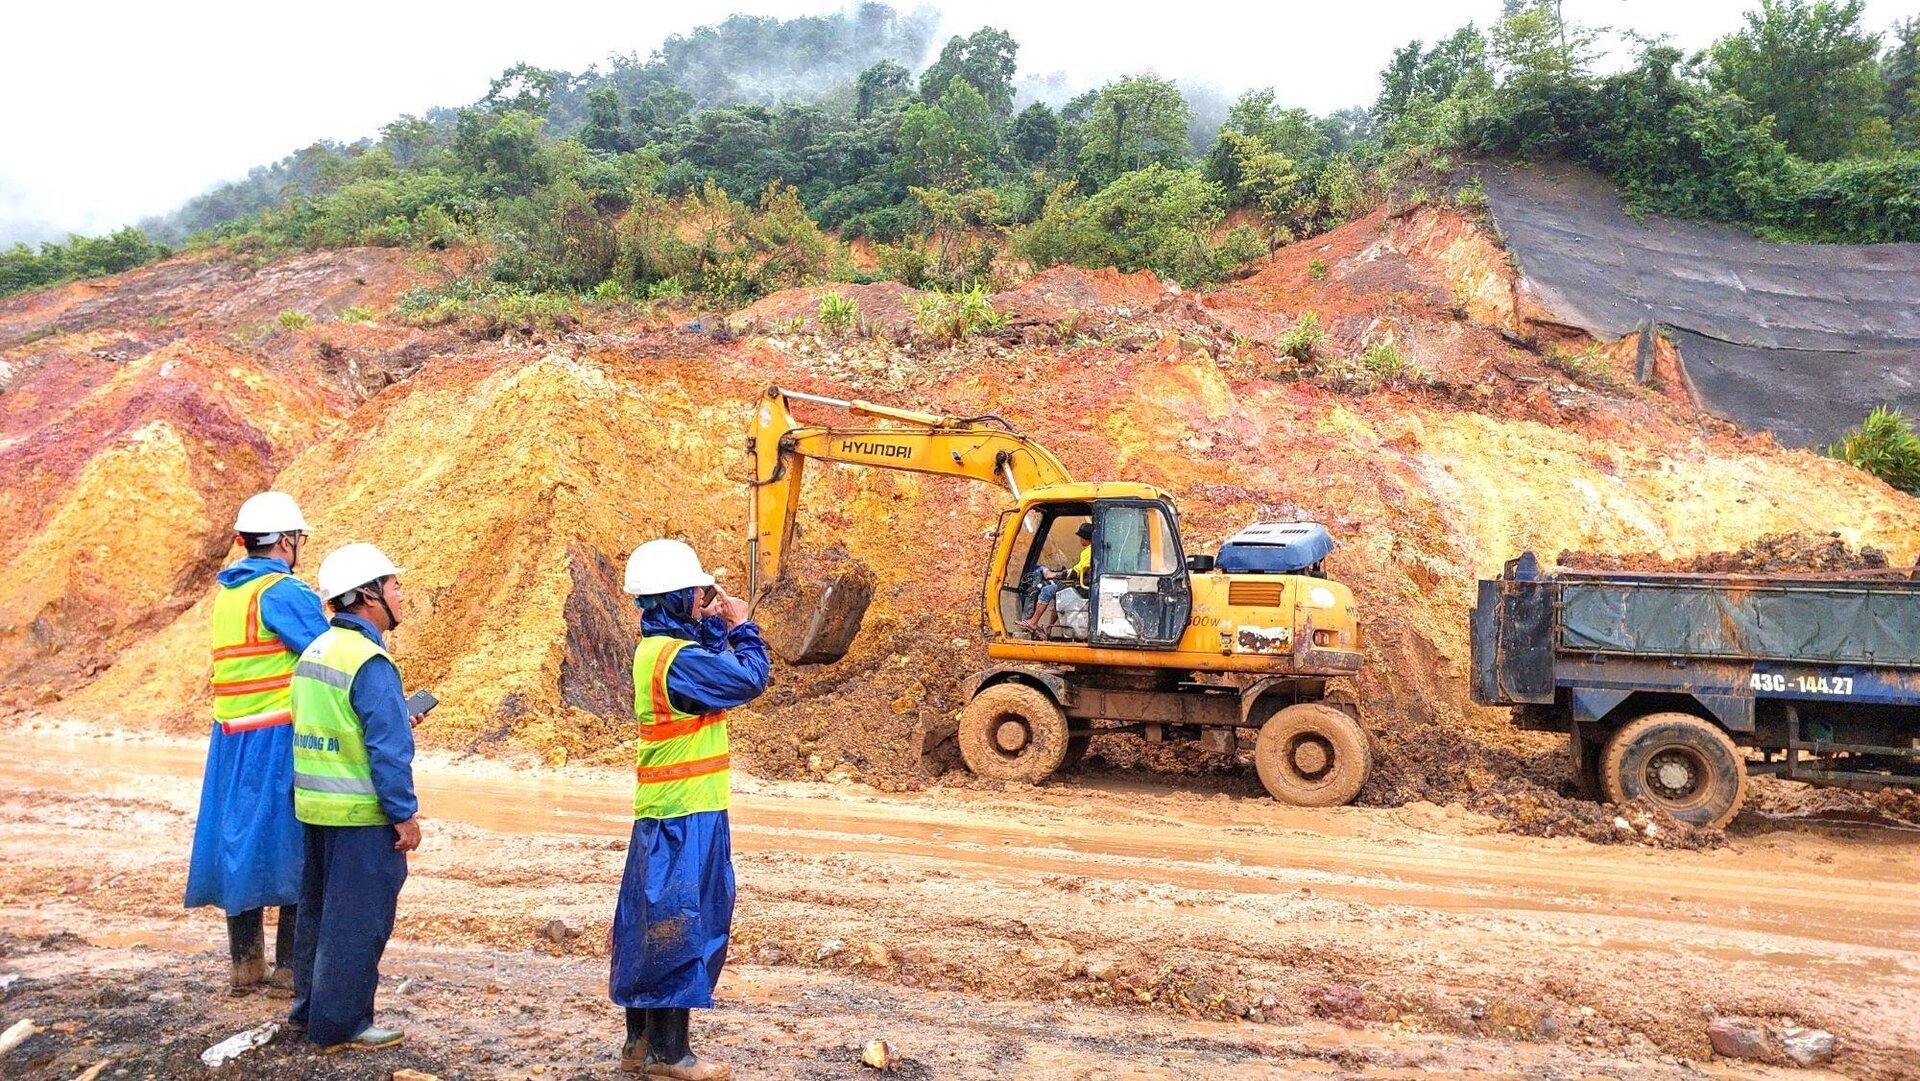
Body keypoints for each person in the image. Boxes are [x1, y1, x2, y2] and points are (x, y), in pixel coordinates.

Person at [611, 539, 770, 1079]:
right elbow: (747, 679)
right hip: (687, 816)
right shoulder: (676, 663)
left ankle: (638, 1044)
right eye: (697, 592)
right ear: (679, 596)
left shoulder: (658, 652)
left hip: (664, 811)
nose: (705, 598)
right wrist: (743, 626)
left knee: (648, 925)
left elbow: (700, 661)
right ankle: (669, 1056)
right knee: (683, 926)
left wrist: (709, 622)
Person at [186, 491, 329, 994]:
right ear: (286, 541)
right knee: (299, 846)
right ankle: (291, 971)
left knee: (239, 848)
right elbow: (329, 652)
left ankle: (245, 966)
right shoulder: (283, 592)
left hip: (230, 740)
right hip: (277, 737)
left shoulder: (230, 595)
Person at [286, 542, 421, 1052]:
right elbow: (387, 753)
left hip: (316, 809)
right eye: (393, 586)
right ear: (367, 596)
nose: (400, 594)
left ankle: (308, 1014)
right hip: (361, 815)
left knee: (317, 917)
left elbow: (329, 725)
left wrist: (393, 719)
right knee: (358, 923)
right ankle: (341, 1026)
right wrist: (404, 815)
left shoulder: (315, 652)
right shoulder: (370, 660)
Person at [1014, 521, 1093, 637]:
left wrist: (1053, 575)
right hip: (1084, 585)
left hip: (1082, 588)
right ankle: (1049, 629)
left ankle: (1033, 622)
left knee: (1049, 589)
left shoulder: (1088, 551)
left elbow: (1076, 572)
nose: (1079, 540)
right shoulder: (1093, 550)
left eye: (1080, 537)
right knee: (1058, 595)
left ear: (1084, 538)